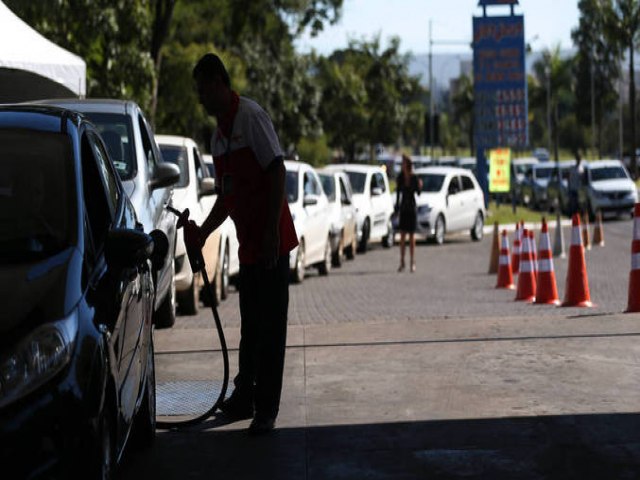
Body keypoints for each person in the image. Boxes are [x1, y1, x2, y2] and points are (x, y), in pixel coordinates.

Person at [192, 53, 298, 435]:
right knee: (251, 326)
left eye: (204, 89)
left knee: (271, 328)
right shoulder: (218, 137)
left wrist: (271, 231)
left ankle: (266, 408)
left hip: (271, 242)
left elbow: (277, 170)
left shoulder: (251, 118)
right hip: (249, 245)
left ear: (220, 82)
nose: (200, 98)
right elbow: (227, 197)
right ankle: (245, 396)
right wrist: (203, 231)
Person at [395, 154, 422, 272]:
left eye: (404, 163)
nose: (402, 165)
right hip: (403, 208)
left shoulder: (414, 177)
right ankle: (402, 261)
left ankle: (412, 261)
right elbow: (397, 193)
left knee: (411, 236)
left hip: (411, 208)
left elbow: (418, 193)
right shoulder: (400, 177)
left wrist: (420, 186)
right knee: (402, 236)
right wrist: (396, 208)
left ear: (408, 164)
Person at [568, 150, 584, 217]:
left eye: (579, 158)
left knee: (579, 205)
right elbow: (569, 179)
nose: (578, 160)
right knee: (573, 205)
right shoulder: (572, 168)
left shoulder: (582, 168)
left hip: (580, 190)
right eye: (577, 158)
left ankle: (579, 216)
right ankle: (573, 216)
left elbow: (583, 179)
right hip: (573, 189)